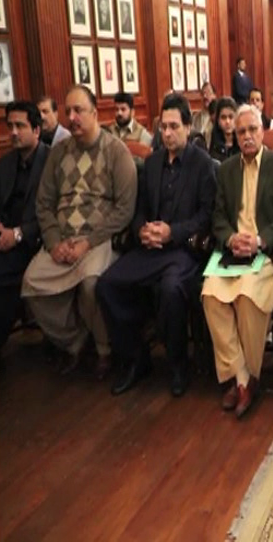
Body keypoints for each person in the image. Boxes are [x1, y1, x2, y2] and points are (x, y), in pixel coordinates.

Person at [96, 93, 217, 397]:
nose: (167, 133)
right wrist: (142, 230)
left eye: (174, 126)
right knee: (106, 284)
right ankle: (136, 357)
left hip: (183, 249)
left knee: (171, 289)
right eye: (163, 127)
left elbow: (206, 216)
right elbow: (138, 209)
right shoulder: (152, 163)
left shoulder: (203, 165)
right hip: (149, 247)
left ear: (188, 127)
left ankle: (178, 364)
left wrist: (171, 232)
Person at [21, 85, 137, 379]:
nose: (71, 117)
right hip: (61, 239)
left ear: (95, 113)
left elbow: (125, 209)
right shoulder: (58, 153)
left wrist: (89, 241)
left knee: (90, 284)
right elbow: (44, 203)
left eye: (78, 111)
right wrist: (53, 242)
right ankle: (75, 341)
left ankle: (104, 349)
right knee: (32, 284)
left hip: (99, 239)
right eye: (68, 111)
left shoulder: (116, 151)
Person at [201, 104, 273, 417]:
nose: (247, 136)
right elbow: (217, 217)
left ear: (262, 131)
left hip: (264, 252)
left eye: (252, 130)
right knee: (210, 295)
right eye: (241, 131)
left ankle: (242, 379)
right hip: (232, 251)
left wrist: (259, 240)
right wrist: (230, 238)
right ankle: (244, 377)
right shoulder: (226, 169)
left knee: (246, 298)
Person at [0, 101, 49, 351]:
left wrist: (18, 234)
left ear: (36, 130)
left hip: (36, 240)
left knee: (2, 276)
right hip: (4, 236)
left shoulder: (51, 160)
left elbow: (53, 214)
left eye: (20, 126)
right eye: (10, 126)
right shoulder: (6, 163)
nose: (14, 132)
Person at [208, 97, 240, 163]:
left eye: (231, 117)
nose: (227, 121)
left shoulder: (241, 146)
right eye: (223, 117)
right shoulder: (214, 147)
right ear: (218, 121)